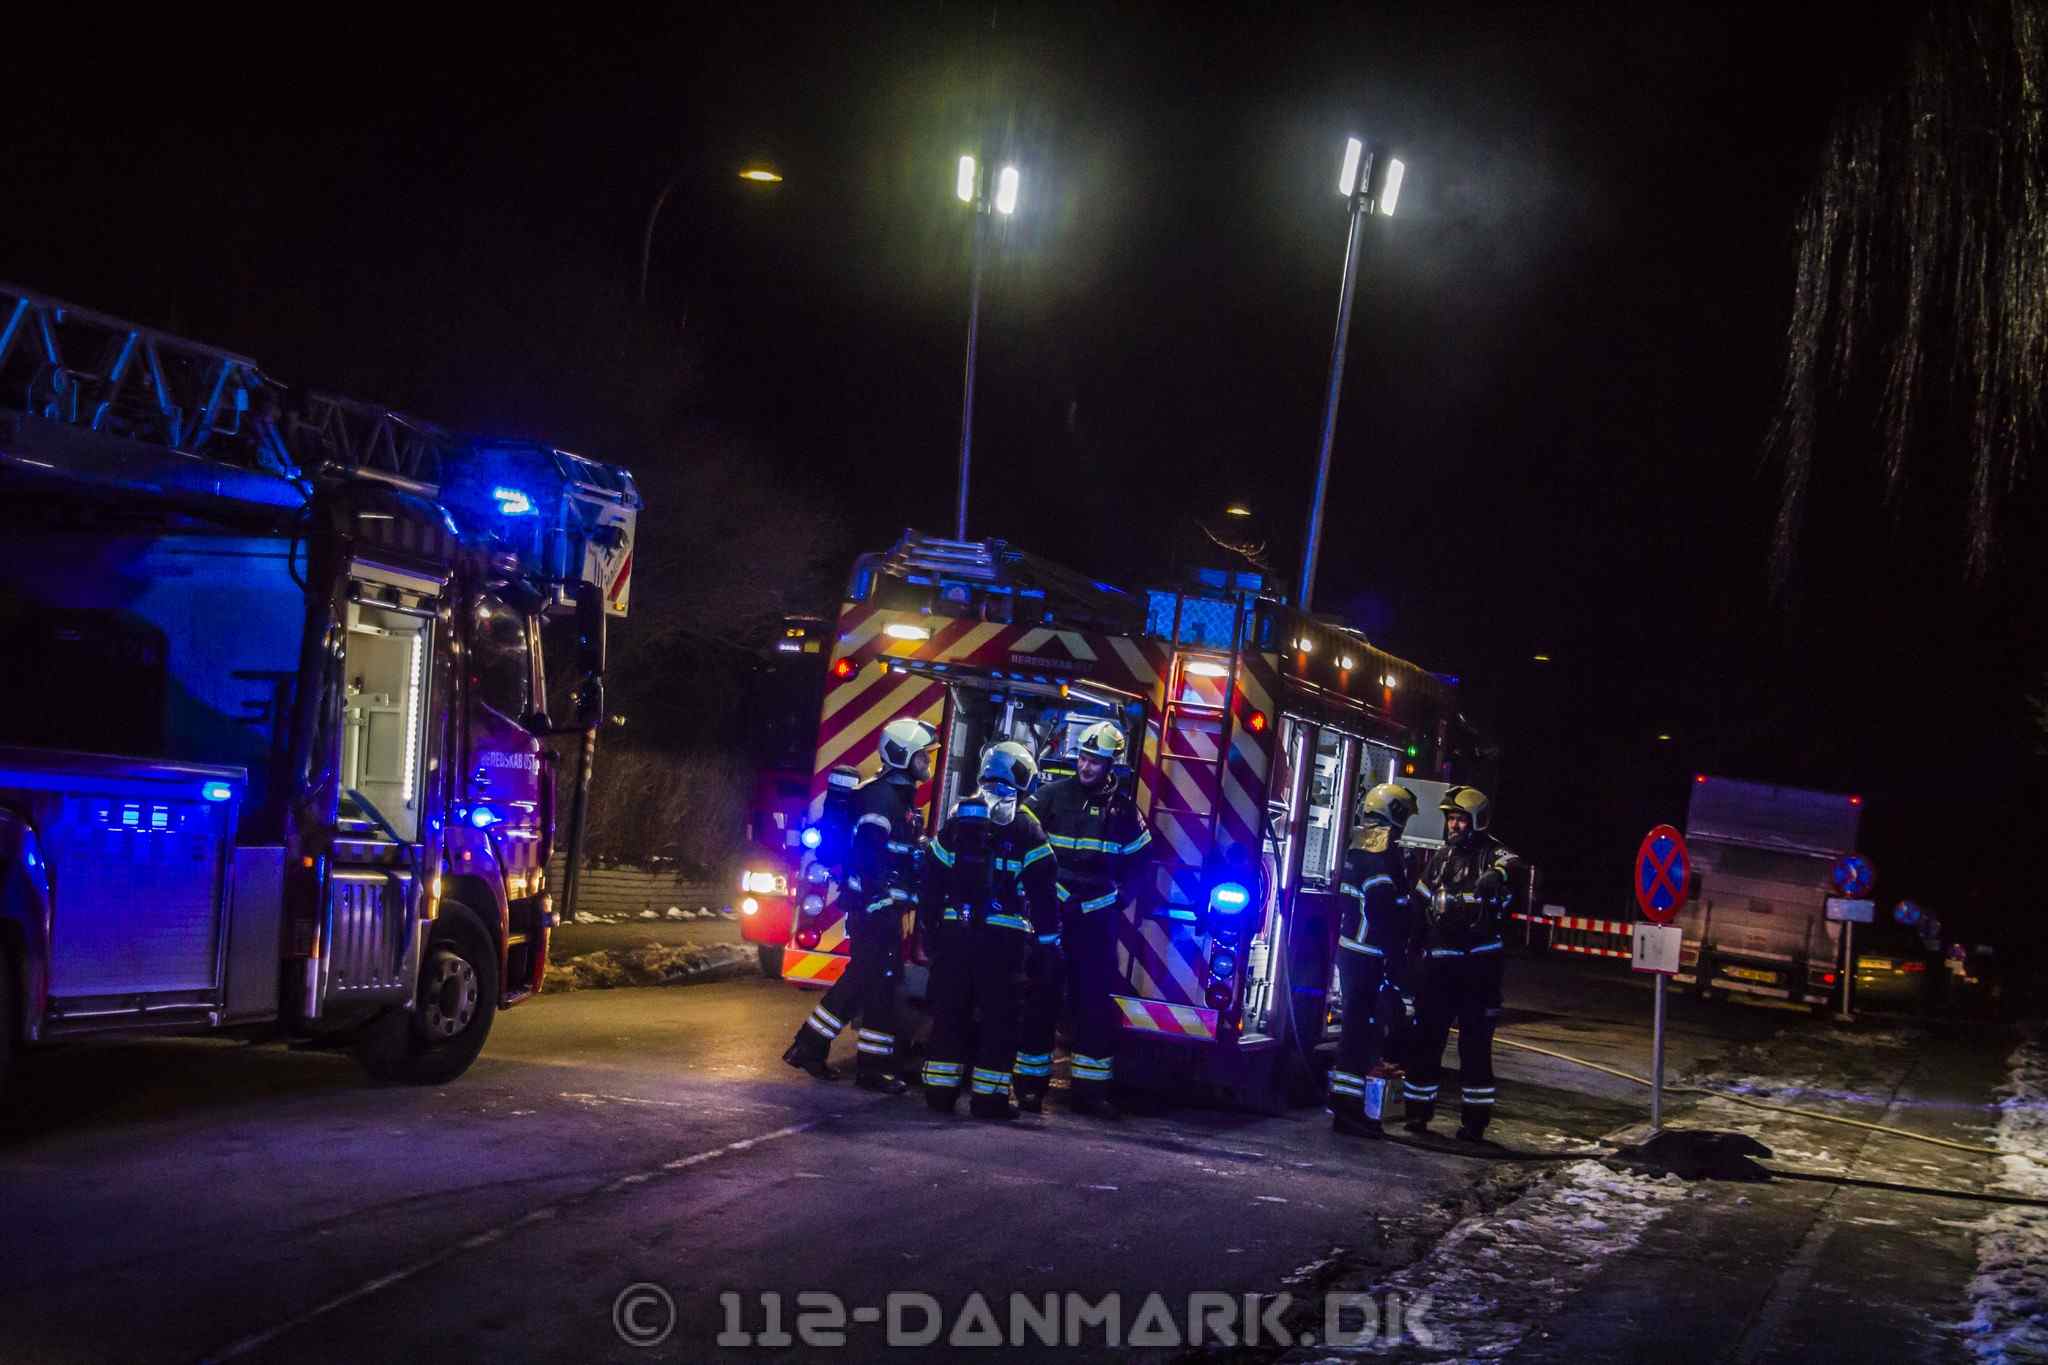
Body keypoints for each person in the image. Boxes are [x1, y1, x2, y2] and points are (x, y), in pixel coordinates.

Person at [782, 716, 935, 1093]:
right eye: (922, 755)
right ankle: (812, 1046)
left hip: (882, 908)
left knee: (880, 981)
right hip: (872, 909)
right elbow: (867, 858)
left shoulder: (897, 799)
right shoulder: (881, 800)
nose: (927, 762)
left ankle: (865, 1065)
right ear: (902, 756)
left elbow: (894, 856)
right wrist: (880, 900)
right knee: (868, 978)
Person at [1015, 719, 1152, 1115]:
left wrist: (1119, 900)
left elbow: (1141, 865)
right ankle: (1029, 1088)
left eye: (1095, 760)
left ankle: (1090, 1093)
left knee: (1093, 1006)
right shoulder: (1050, 797)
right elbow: (1020, 840)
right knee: (1040, 1000)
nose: (1086, 766)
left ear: (1112, 765)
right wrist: (1038, 891)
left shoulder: (1124, 812)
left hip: (1096, 924)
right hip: (1051, 918)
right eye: (1083, 758)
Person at [919, 741, 1059, 1120]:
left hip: (955, 936)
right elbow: (1044, 893)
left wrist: (930, 927)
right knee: (1000, 1021)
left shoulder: (959, 820)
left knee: (951, 1013)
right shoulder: (1028, 828)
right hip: (1004, 944)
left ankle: (939, 1093)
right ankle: (989, 1100)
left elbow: (931, 877)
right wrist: (1047, 944)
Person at [1403, 785, 1518, 1142]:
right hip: (1439, 969)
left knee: (1475, 1047)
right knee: (1427, 1040)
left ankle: (1475, 1122)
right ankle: (1417, 1113)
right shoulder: (1441, 858)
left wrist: (1497, 877)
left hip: (1478, 971)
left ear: (1478, 821)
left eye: (1460, 819)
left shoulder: (1492, 855)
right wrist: (1410, 950)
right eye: (1451, 819)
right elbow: (1420, 904)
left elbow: (1512, 865)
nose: (1453, 826)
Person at [1328, 782, 1419, 1139]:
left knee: (1357, 1032)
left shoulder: (1359, 847)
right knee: (1360, 1035)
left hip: (1354, 953)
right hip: (1368, 957)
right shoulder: (1381, 859)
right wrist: (1397, 966)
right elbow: (1385, 916)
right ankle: (1347, 1112)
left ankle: (1347, 1108)